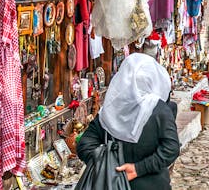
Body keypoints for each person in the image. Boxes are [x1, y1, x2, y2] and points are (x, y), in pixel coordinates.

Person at [77, 53, 180, 190]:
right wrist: (138, 169)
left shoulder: (111, 110)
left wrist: (110, 164)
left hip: (111, 184)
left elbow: (84, 145)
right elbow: (171, 148)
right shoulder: (159, 110)